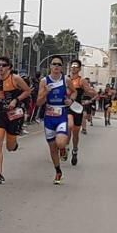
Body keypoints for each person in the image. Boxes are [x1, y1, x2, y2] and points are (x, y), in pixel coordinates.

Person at [0, 56, 30, 184]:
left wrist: (16, 100)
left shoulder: (15, 79)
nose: (1, 68)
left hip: (14, 114)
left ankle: (14, 143)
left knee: (10, 147)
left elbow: (27, 91)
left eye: (4, 65)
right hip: (0, 114)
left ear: (9, 67)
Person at [36, 56, 73, 185]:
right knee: (52, 148)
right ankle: (58, 171)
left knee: (61, 142)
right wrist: (45, 92)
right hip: (49, 116)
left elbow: (73, 92)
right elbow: (39, 102)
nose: (56, 66)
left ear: (61, 67)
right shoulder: (44, 81)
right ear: (50, 66)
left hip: (62, 114)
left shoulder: (66, 80)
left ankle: (63, 148)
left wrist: (71, 100)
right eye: (54, 64)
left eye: (59, 64)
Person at [67, 60, 96, 166]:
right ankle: (66, 147)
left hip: (77, 108)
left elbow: (90, 92)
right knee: (68, 127)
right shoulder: (66, 79)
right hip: (67, 107)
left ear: (79, 69)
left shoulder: (81, 81)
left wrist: (92, 95)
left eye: (76, 66)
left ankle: (75, 150)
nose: (73, 68)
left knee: (75, 133)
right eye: (72, 66)